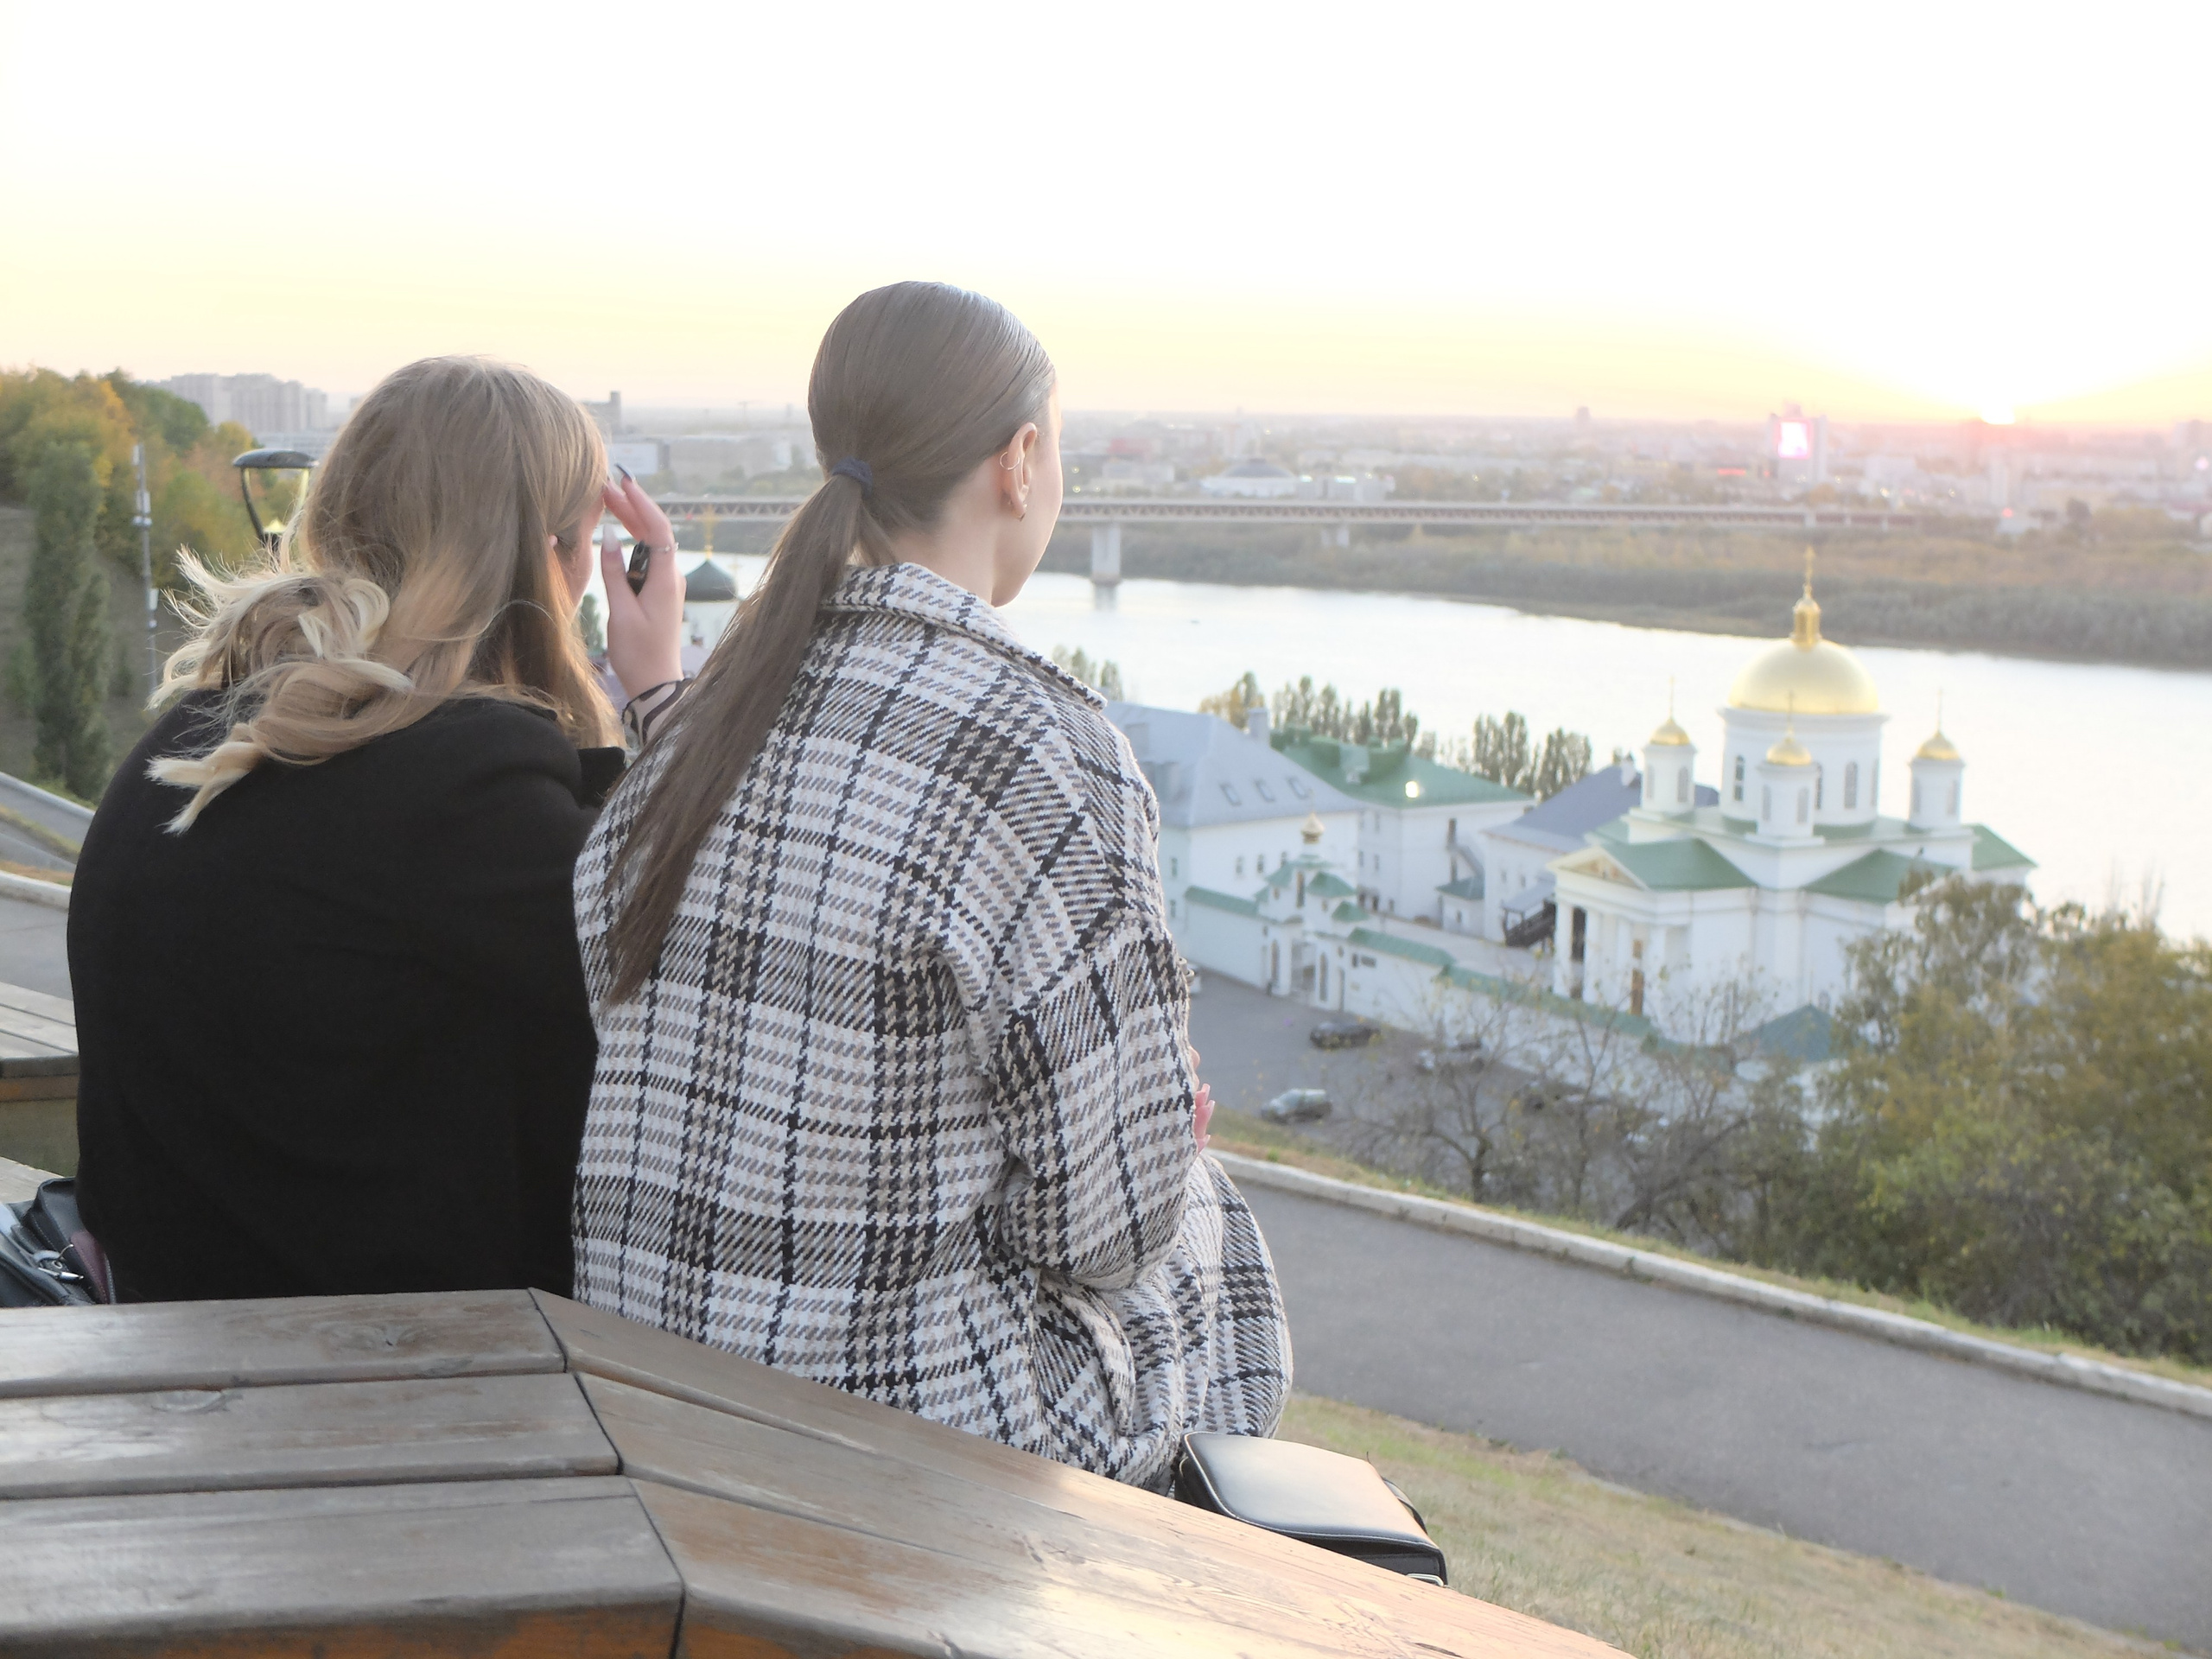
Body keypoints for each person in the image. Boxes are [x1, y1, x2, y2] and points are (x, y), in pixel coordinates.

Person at [572, 282, 1291, 1491]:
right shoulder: (1039, 750)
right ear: (1018, 462)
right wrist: (1159, 1156)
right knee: (1212, 1229)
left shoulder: (697, 741)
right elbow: (1107, 1233)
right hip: (887, 1448)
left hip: (656, 1393)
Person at [70, 355, 686, 1302]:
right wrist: (660, 696)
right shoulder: (459, 783)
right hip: (394, 1378)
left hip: (187, 1336)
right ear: (549, 554)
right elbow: (697, 984)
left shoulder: (206, 728)